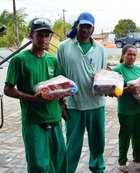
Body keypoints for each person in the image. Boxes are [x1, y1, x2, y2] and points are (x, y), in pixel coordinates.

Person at [4, 18, 67, 172]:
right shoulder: (19, 60)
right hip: (33, 120)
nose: (44, 39)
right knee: (38, 164)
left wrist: (62, 103)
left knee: (59, 161)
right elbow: (8, 89)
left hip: (54, 118)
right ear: (31, 35)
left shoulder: (53, 60)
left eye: (47, 35)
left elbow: (57, 87)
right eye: (40, 35)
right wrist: (32, 98)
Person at [57, 12, 107, 173]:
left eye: (88, 27)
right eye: (82, 26)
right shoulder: (64, 47)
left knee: (98, 141)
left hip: (96, 103)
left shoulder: (100, 49)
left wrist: (107, 87)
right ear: (76, 25)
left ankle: (97, 167)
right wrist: (60, 102)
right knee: (72, 142)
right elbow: (59, 76)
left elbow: (103, 74)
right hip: (73, 104)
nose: (85, 29)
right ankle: (67, 169)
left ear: (93, 28)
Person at [112, 44, 140, 173]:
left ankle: (137, 156)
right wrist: (128, 89)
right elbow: (113, 92)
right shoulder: (117, 70)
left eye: (134, 54)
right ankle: (122, 161)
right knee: (125, 135)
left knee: (138, 133)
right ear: (123, 55)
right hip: (126, 109)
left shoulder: (139, 70)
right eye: (129, 54)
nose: (132, 57)